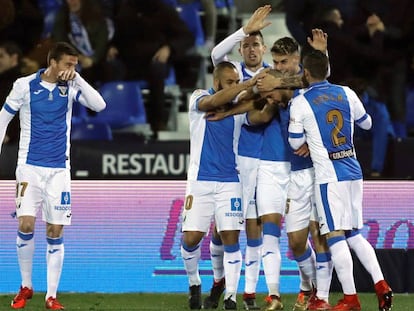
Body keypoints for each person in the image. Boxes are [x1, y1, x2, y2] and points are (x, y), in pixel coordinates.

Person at [0, 41, 106, 310]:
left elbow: (100, 105)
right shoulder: (24, 86)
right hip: (29, 167)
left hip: (59, 170)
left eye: (76, 64)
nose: (73, 69)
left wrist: (78, 78)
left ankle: (51, 295)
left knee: (55, 230)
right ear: (53, 63)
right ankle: (25, 286)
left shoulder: (71, 87)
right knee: (25, 225)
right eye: (69, 64)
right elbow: (3, 118)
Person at [288, 50, 393, 311]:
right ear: (328, 70)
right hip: (353, 171)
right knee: (355, 234)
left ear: (306, 73)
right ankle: (382, 285)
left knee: (335, 236)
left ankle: (351, 298)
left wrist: (312, 142)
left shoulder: (301, 102)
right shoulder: (346, 92)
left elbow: (294, 142)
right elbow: (367, 124)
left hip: (329, 177)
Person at [181, 61, 275, 310]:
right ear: (217, 82)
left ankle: (231, 297)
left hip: (230, 183)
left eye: (236, 82)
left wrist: (274, 101)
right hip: (200, 181)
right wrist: (246, 85)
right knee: (191, 239)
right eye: (230, 82)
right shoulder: (199, 98)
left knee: (230, 238)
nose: (235, 87)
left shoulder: (237, 110)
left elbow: (261, 116)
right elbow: (212, 103)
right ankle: (194, 283)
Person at [206, 5, 272, 310]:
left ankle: (248, 292)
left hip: (269, 159)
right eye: (246, 45)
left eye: (255, 44)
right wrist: (244, 30)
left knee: (256, 226)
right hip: (237, 160)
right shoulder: (234, 74)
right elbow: (216, 54)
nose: (251, 49)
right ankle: (219, 280)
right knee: (224, 227)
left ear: (264, 48)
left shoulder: (274, 75)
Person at [111, 0, 194, 135]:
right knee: (110, 67)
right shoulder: (124, 9)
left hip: (153, 61)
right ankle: (112, 119)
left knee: (157, 69)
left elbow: (186, 37)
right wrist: (112, 46)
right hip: (127, 60)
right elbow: (116, 36)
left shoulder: (164, 11)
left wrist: (169, 48)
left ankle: (157, 121)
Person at [51, 0, 111, 87]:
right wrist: (78, 57)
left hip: (97, 60)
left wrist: (93, 59)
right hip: (73, 60)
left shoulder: (96, 15)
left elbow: (102, 43)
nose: (72, 2)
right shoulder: (63, 16)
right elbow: (60, 41)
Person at [0, 41, 23, 144]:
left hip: (12, 144)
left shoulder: (20, 83)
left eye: (1, 56)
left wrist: (9, 134)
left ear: (13, 58)